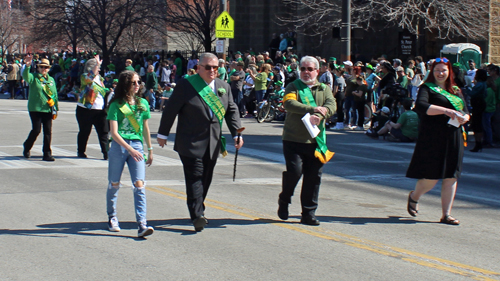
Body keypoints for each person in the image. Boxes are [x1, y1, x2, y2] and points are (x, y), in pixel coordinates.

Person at [157, 53, 244, 232]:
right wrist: (163, 133)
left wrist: (236, 133)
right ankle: (197, 215)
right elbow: (171, 109)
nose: (212, 71)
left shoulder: (223, 86)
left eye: (215, 67)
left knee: (206, 177)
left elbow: (232, 110)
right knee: (195, 176)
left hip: (212, 141)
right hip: (190, 141)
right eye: (207, 67)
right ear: (199, 68)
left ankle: (198, 207)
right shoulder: (186, 85)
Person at [406, 58, 470, 225]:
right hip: (433, 137)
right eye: (437, 70)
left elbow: (465, 110)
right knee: (431, 177)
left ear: (449, 72)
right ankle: (414, 196)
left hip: (454, 135)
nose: (440, 73)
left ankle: (446, 214)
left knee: (451, 176)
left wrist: (465, 117)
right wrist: (447, 111)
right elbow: (421, 106)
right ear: (432, 72)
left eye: (443, 70)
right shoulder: (427, 88)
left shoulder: (456, 90)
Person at [277, 56, 336, 226]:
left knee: (313, 177)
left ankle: (308, 213)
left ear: (317, 71)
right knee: (295, 173)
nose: (306, 72)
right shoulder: (293, 86)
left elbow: (331, 105)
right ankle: (285, 198)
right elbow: (289, 104)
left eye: (310, 69)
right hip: (293, 140)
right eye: (303, 69)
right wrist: (312, 108)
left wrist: (319, 115)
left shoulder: (324, 89)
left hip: (315, 142)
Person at [106, 70, 154, 237]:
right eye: (133, 82)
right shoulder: (116, 104)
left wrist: (150, 149)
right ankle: (112, 216)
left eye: (138, 82)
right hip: (120, 147)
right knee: (114, 183)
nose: (137, 85)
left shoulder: (143, 103)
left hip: (137, 146)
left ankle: (142, 223)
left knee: (139, 184)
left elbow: (146, 128)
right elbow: (114, 132)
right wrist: (130, 149)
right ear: (125, 84)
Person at [22, 56, 58, 161]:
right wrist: (27, 66)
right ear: (38, 68)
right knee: (36, 130)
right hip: (35, 108)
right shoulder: (34, 77)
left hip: (47, 108)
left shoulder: (51, 80)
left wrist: (55, 108)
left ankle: (47, 153)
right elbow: (26, 77)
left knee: (48, 131)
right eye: (41, 67)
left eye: (46, 67)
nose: (43, 69)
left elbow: (55, 94)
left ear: (49, 68)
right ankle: (27, 146)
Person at [76, 55, 109, 160]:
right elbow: (90, 77)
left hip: (100, 110)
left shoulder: (100, 79)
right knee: (85, 131)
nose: (99, 69)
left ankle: (106, 153)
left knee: (104, 131)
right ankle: (81, 151)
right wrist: (96, 64)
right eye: (97, 67)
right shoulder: (85, 76)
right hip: (85, 109)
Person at [468, 69, 488, 152]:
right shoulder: (484, 84)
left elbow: (472, 93)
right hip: (480, 104)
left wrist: (467, 88)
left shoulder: (479, 84)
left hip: (478, 104)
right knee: (477, 124)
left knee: (477, 124)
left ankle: (478, 143)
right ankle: (478, 144)